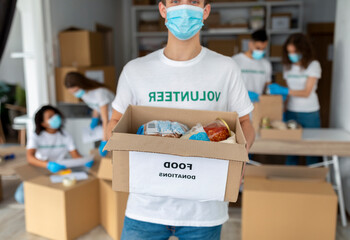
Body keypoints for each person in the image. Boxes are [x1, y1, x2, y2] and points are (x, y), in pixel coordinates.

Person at [106, 0, 255, 239]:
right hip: (146, 207)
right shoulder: (136, 70)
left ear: (205, 11)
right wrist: (119, 150)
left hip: (204, 209)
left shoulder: (226, 68)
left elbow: (245, 123)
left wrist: (239, 159)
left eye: (193, 2)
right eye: (175, 1)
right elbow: (114, 122)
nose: (184, 8)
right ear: (163, 9)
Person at [268, 33, 322, 165]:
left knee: (311, 150)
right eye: (289, 52)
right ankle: (289, 180)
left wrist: (285, 90)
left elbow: (306, 92)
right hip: (292, 111)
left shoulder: (313, 65)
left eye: (295, 51)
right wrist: (284, 108)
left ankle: (314, 180)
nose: (292, 55)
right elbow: (290, 90)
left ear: (303, 50)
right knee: (291, 149)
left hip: (310, 112)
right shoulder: (288, 66)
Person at [14, 105, 84, 204]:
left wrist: (86, 162)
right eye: (50, 117)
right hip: (40, 169)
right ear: (43, 123)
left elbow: (75, 155)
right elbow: (30, 157)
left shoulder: (65, 135)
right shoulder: (36, 137)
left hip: (61, 170)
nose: (55, 117)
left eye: (55, 114)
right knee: (21, 196)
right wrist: (48, 165)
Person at [65, 72, 115, 156]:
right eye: (73, 92)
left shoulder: (100, 93)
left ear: (82, 84)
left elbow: (105, 119)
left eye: (76, 91)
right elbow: (96, 107)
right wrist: (94, 119)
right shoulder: (84, 94)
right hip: (106, 120)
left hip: (114, 119)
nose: (76, 94)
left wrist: (104, 141)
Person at [233, 29, 272, 103]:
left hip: (258, 106)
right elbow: (228, 86)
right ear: (250, 44)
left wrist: (272, 92)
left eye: (263, 49)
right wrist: (243, 94)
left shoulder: (266, 64)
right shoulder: (235, 61)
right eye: (258, 48)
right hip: (239, 105)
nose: (260, 51)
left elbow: (267, 88)